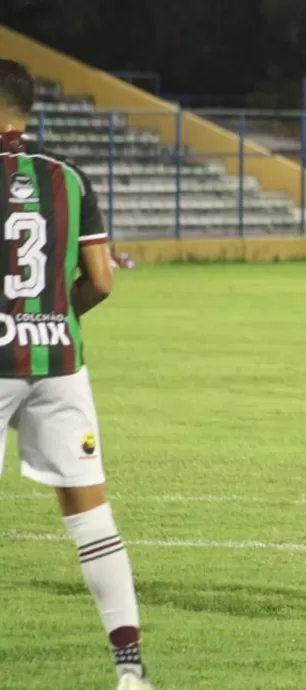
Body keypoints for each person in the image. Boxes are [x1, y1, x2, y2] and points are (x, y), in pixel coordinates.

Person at [0, 60, 151, 689]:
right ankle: (130, 668)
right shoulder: (68, 175)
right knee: (89, 514)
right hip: (59, 360)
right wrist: (53, 316)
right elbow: (102, 280)